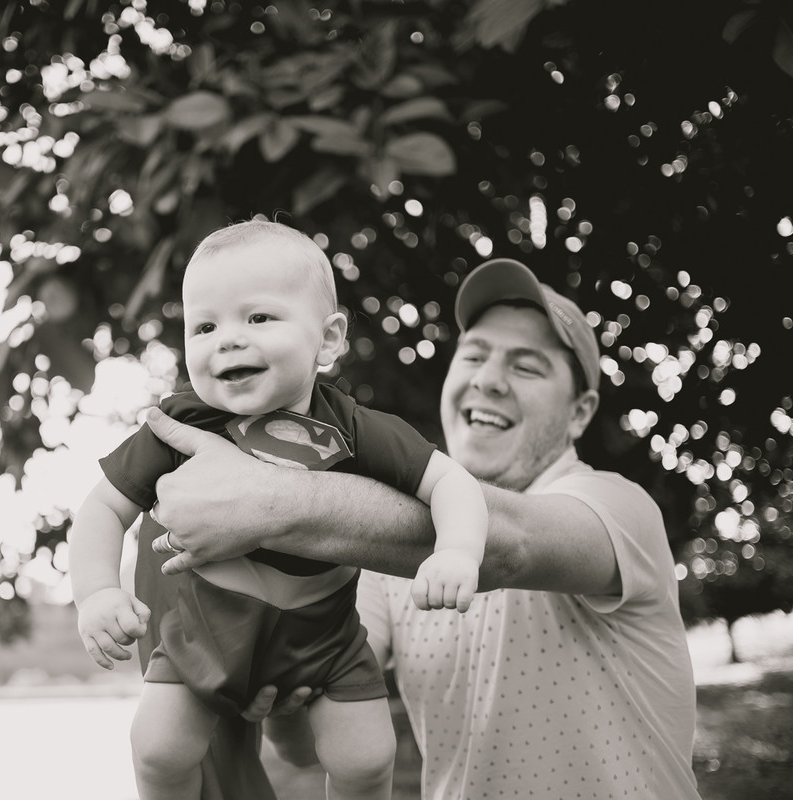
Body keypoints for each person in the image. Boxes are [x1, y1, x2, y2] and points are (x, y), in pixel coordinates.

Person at [142, 257, 702, 799]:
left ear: (580, 412)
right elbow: (306, 745)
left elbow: (511, 546)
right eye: (473, 355)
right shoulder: (376, 557)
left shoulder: (618, 506)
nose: (488, 380)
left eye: (526, 366)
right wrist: (279, 694)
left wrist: (265, 500)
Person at [67, 219, 488, 800]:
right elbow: (102, 509)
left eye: (259, 317)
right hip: (203, 637)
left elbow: (450, 482)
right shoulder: (178, 425)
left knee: (367, 759)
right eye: (205, 326)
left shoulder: (353, 427)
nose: (228, 340)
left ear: (329, 340)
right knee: (159, 749)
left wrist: (458, 551)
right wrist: (95, 593)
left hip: (325, 644)